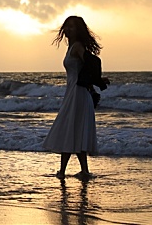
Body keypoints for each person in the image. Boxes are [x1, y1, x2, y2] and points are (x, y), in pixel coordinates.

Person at [43, 16, 105, 181]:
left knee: (71, 130)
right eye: (67, 26)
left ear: (79, 29)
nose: (69, 29)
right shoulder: (72, 47)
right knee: (73, 130)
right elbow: (85, 69)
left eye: (73, 27)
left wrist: (96, 81)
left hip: (78, 94)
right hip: (74, 93)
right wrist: (92, 83)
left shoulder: (77, 47)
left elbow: (92, 63)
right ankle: (79, 171)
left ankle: (66, 171)